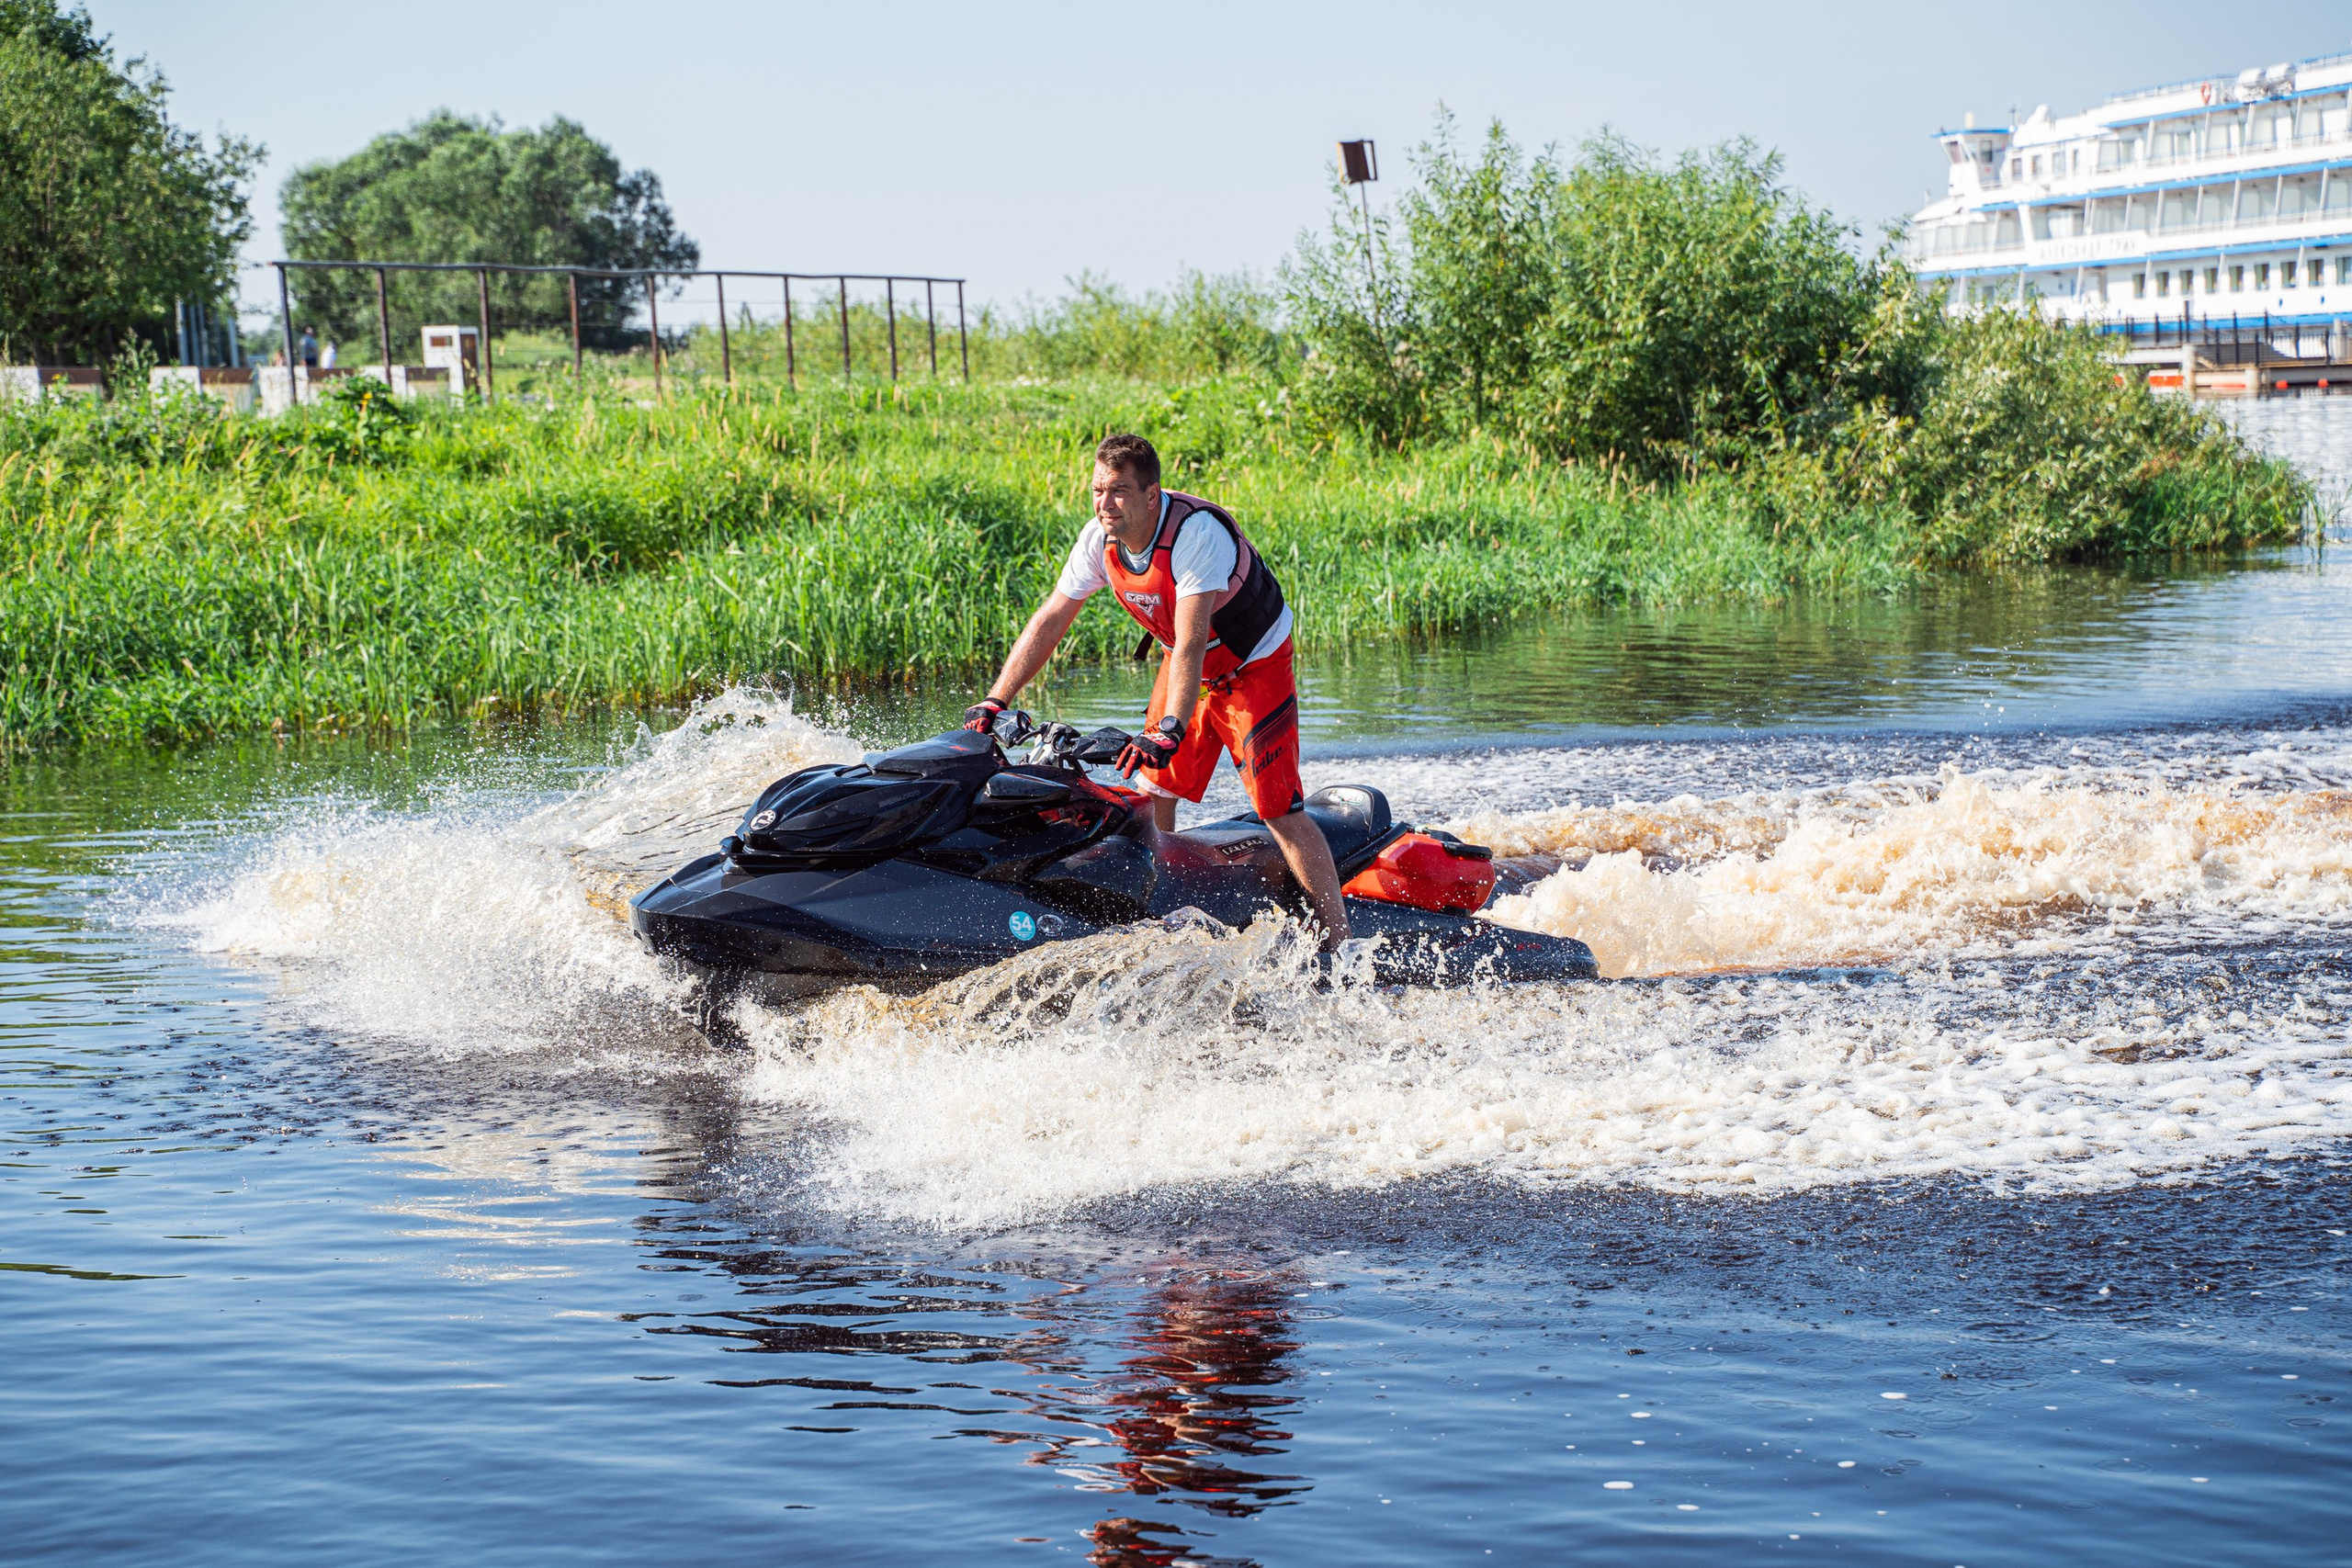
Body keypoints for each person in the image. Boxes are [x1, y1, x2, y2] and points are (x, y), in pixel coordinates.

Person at [967, 434, 1351, 949]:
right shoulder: (1098, 540)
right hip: (1188, 666)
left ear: (1151, 495)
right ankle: (1162, 927)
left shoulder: (1196, 534)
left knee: (1278, 809)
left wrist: (1170, 728)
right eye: (1098, 490)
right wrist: (997, 699)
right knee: (1154, 792)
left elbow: (1191, 641)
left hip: (1253, 667)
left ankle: (1338, 940)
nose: (1105, 503)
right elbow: (1052, 618)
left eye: (1119, 491)